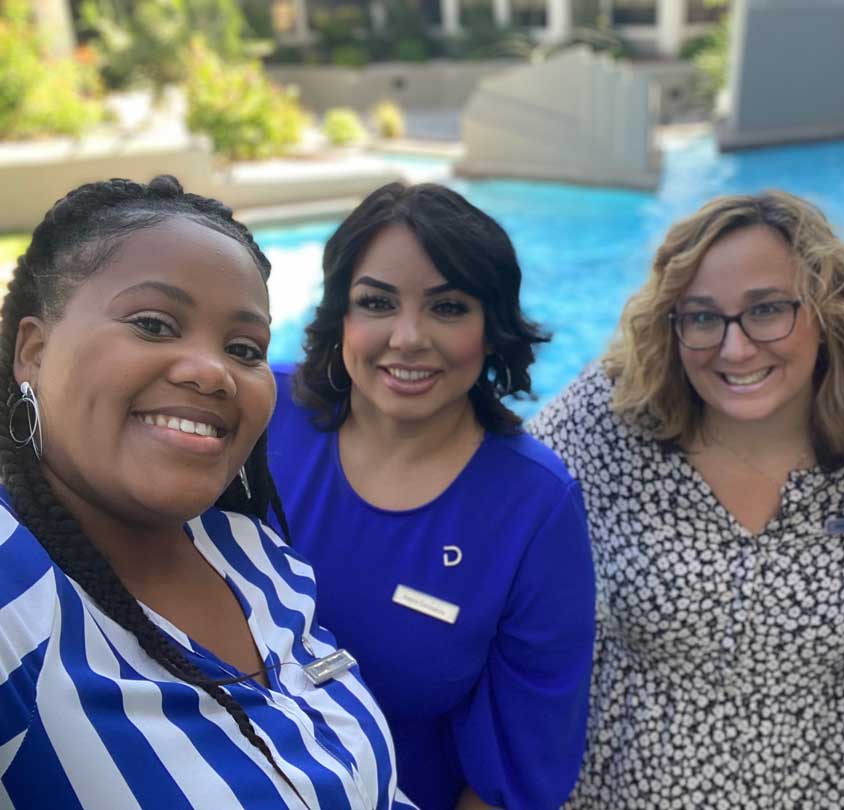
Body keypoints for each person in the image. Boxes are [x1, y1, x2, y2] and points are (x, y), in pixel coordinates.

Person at [0, 176, 415, 809]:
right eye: (154, 323)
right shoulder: (15, 594)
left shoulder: (254, 557)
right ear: (32, 350)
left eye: (243, 347)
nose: (212, 371)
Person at [529, 190, 844, 809]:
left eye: (768, 309)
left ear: (825, 310)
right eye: (701, 317)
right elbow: (491, 496)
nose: (735, 348)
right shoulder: (612, 416)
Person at [266, 182, 595, 810]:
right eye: (377, 303)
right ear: (341, 316)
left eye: (448, 308)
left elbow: (515, 776)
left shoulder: (534, 509)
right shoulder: (260, 414)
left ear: (492, 329)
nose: (409, 337)